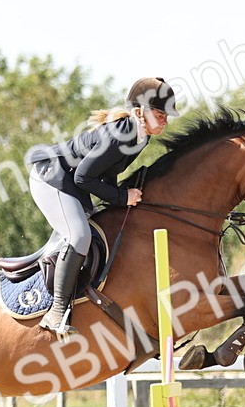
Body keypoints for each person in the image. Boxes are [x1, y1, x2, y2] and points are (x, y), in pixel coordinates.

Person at [24, 77, 179, 335]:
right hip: (51, 178)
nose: (165, 121)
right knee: (80, 235)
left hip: (71, 183)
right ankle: (56, 312)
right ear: (140, 112)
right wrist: (121, 197)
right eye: (160, 115)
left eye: (166, 116)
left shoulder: (140, 136)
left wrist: (119, 199)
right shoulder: (121, 134)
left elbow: (106, 173)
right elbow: (82, 177)